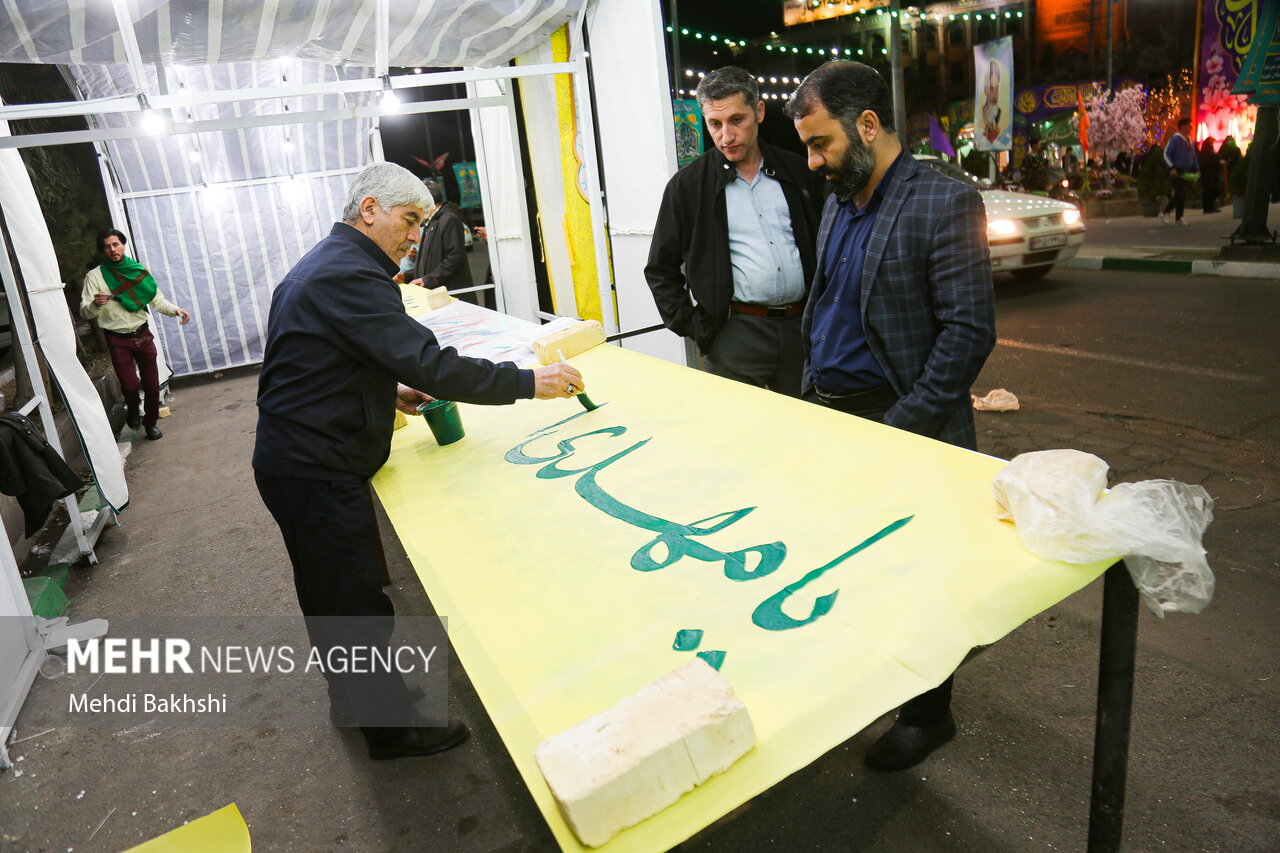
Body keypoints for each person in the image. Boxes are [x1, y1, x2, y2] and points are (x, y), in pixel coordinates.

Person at [253, 162, 584, 760]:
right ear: (370, 208)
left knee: (328, 592)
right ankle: (391, 729)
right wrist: (529, 381)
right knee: (353, 599)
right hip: (315, 464)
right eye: (409, 221)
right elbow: (428, 362)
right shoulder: (350, 275)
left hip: (295, 457)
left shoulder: (328, 265)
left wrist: (386, 393)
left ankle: (352, 698)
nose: (414, 238)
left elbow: (325, 360)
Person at [786, 61, 996, 771]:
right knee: (852, 571)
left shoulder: (944, 202)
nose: (814, 163)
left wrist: (898, 429)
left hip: (903, 425)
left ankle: (927, 713)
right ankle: (866, 681)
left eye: (821, 145)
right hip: (832, 418)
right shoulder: (842, 198)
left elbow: (968, 332)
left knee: (917, 581)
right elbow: (827, 301)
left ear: (867, 126)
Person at [646, 66, 826, 398]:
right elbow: (660, 268)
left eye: (736, 120)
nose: (726, 136)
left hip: (804, 328)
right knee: (740, 436)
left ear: (758, 112)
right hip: (734, 334)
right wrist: (696, 326)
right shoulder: (688, 187)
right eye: (715, 124)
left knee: (811, 433)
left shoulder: (799, 172)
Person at [80, 229, 191, 440]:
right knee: (130, 385)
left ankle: (150, 424)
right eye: (107, 246)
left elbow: (156, 300)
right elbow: (84, 311)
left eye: (116, 244)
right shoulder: (94, 277)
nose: (113, 249)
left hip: (143, 334)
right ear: (102, 250)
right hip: (117, 338)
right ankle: (132, 406)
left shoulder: (138, 271)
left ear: (123, 245)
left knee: (151, 385)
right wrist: (94, 304)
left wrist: (176, 310)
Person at [409, 180, 476, 303]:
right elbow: (429, 261)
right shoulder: (432, 221)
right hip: (439, 293)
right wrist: (408, 275)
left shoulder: (448, 219)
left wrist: (428, 280)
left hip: (452, 293)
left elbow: (454, 258)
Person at [1161, 117, 1198, 226]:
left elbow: (1193, 156)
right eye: (1188, 125)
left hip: (1186, 172)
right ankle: (1169, 214)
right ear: (1182, 126)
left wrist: (1196, 169)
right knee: (1180, 193)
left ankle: (1178, 218)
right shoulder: (1175, 139)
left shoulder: (1190, 140)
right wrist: (1172, 167)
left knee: (1182, 194)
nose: (1190, 127)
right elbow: (1166, 154)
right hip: (1176, 171)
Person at [1198, 138, 1222, 213]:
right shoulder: (1205, 152)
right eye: (1211, 142)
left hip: (1212, 175)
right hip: (1207, 175)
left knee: (1212, 190)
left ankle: (1211, 207)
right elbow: (1210, 160)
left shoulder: (1210, 151)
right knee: (1207, 190)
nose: (1212, 144)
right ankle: (1207, 208)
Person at [1219, 135, 1242, 201]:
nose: (1229, 142)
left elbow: (1238, 159)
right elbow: (1219, 157)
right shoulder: (1223, 149)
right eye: (1228, 141)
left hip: (1234, 170)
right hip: (1225, 171)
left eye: (1231, 140)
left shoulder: (1236, 149)